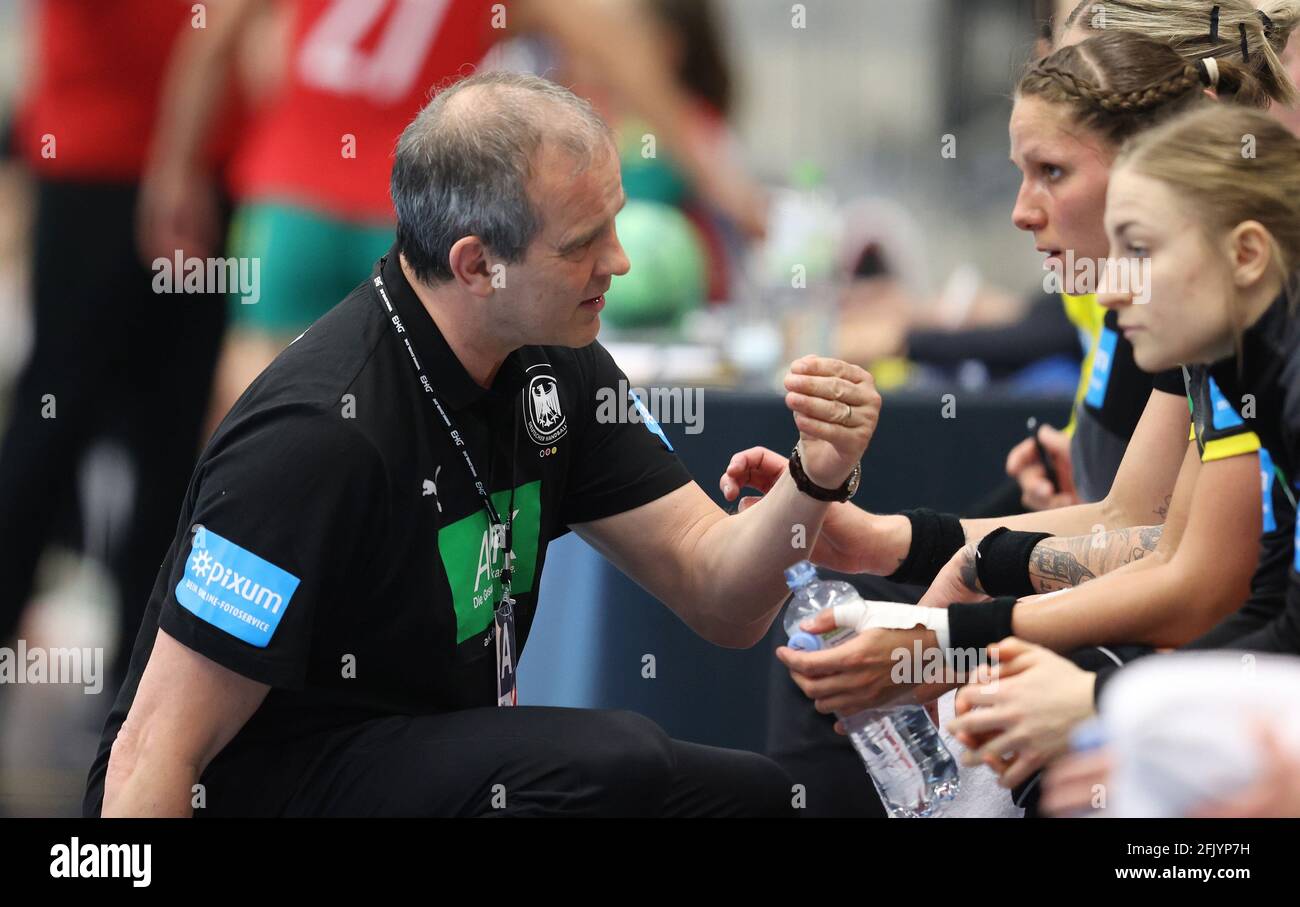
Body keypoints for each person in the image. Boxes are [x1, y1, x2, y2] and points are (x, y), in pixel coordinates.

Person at [85, 72, 882, 818]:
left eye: (617, 220)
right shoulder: (315, 436)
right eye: (583, 243)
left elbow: (719, 594)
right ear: (477, 266)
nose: (621, 260)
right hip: (251, 791)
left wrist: (814, 479)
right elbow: (152, 753)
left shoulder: (554, 361)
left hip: (427, 766)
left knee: (786, 799)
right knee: (612, 761)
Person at [729, 23, 1298, 815]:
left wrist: (1090, 697)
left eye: (1052, 172)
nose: (1023, 212)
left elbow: (1203, 582)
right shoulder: (1221, 344)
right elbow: (1156, 536)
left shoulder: (1252, 353)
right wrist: (906, 548)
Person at [139, 0, 768, 435]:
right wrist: (720, 180)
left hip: (289, 199)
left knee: (251, 392)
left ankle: (228, 573)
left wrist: (173, 173)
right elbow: (622, 49)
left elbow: (212, 42)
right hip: (411, 205)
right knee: (416, 409)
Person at [951, 106, 1300, 813]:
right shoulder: (1248, 375)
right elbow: (1283, 619)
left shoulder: (1276, 384)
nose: (1110, 289)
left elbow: (1193, 576)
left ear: (1247, 254)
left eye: (1138, 250)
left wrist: (1101, 699)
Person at [0, 0, 245, 691]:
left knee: (175, 440)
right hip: (93, 160)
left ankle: (141, 681)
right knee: (51, 423)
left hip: (204, 165)